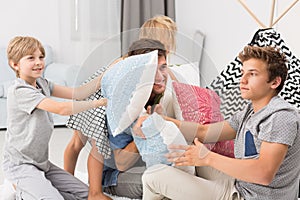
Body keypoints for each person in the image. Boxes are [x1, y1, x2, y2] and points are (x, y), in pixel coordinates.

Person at [139, 45, 300, 199]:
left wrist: (207, 157)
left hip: (251, 197)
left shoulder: (280, 117)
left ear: (274, 82)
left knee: (152, 177)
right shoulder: (250, 112)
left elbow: (263, 174)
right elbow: (204, 132)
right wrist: (161, 121)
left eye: (252, 74)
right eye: (243, 72)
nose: (242, 80)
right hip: (242, 184)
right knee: (189, 160)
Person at [63, 15, 178, 199]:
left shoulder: (157, 68)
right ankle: (78, 187)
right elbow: (99, 84)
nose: (169, 48)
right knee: (83, 142)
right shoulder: (124, 64)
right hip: (98, 98)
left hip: (111, 102)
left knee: (96, 142)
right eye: (166, 43)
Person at [2, 36, 107, 200]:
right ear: (15, 64)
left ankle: (33, 188)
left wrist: (105, 76)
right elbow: (62, 108)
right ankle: (21, 191)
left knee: (86, 195)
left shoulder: (42, 83)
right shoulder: (19, 91)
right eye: (31, 58)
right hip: (20, 165)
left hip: (42, 164)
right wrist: (98, 103)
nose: (38, 62)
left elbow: (78, 93)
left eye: (41, 57)